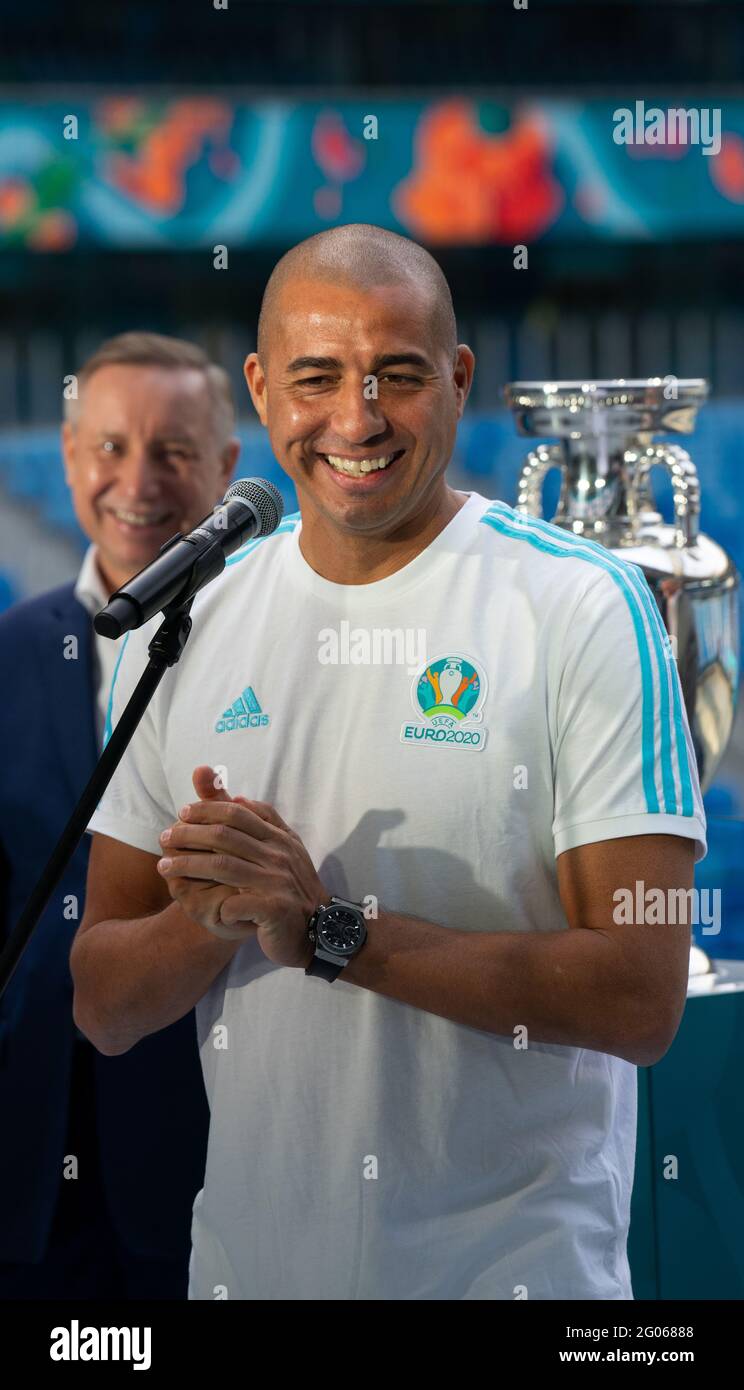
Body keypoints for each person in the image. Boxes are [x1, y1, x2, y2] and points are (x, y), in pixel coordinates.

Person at [72, 227, 707, 1301]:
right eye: (317, 378)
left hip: (516, 1279)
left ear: (458, 380)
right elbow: (103, 1002)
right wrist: (210, 918)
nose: (356, 419)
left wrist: (328, 931)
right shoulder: (177, 633)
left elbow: (641, 997)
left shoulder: (582, 606)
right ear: (265, 391)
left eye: (398, 376)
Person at [0, 332, 239, 1298]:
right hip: (30, 1159)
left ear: (226, 468)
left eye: (174, 452)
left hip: (216, 1153)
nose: (137, 480)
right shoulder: (10, 653)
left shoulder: (281, 648)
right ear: (67, 457)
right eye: (109, 447)